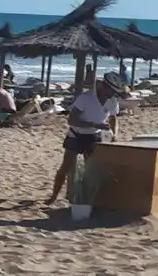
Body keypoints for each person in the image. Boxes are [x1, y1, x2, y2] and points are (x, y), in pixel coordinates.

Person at [46, 71, 125, 205]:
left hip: (94, 136)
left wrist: (115, 133)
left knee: (90, 171)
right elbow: (71, 120)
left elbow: (113, 119)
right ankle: (53, 197)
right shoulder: (86, 98)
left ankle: (87, 199)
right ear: (105, 87)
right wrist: (93, 124)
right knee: (66, 167)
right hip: (76, 135)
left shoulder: (112, 102)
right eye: (112, 90)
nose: (113, 94)